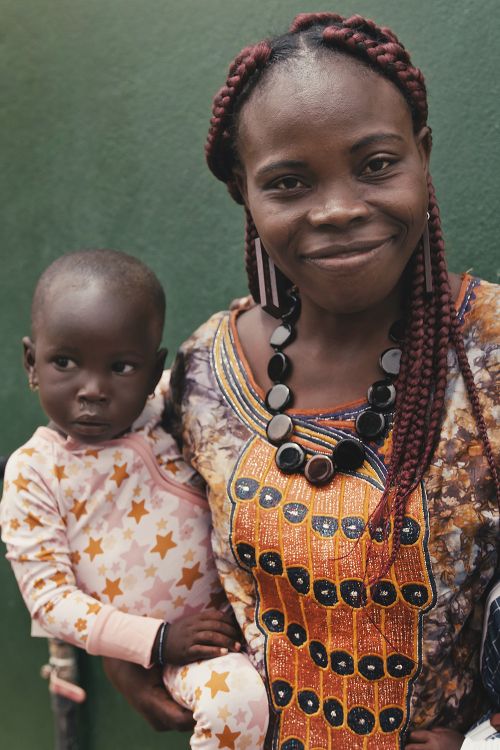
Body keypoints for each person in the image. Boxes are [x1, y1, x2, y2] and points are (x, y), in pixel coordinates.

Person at [104, 12, 499, 750]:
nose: (340, 208)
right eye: (289, 182)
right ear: (244, 196)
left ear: (423, 154)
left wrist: (486, 734)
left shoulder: (490, 357)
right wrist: (124, 646)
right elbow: (94, 494)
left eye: (377, 163)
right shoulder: (204, 370)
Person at [0, 249, 269, 749]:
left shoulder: (172, 405)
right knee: (236, 703)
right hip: (179, 651)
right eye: (64, 362)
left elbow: (230, 361)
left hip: (262, 616)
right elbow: (50, 602)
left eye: (121, 367)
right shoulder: (35, 473)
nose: (93, 389)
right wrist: (158, 640)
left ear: (153, 372)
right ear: (30, 363)